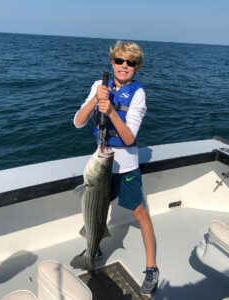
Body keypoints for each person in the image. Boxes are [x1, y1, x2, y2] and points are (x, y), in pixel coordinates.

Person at [72, 41, 159, 295]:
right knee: (99, 209)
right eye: (119, 61)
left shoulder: (138, 93)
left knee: (140, 212)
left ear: (137, 67)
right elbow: (78, 122)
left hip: (126, 167)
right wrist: (95, 100)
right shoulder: (99, 86)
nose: (124, 66)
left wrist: (110, 111)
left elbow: (130, 138)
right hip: (101, 165)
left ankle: (151, 267)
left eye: (130, 63)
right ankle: (95, 248)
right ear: (112, 62)